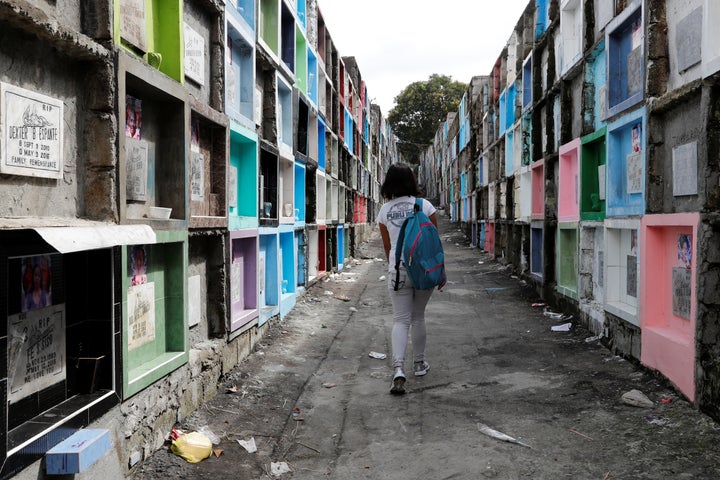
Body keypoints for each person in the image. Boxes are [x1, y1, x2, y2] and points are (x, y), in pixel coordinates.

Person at [377, 163, 445, 395]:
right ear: (412, 181)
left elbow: (388, 248)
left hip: (398, 271)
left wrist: (396, 267)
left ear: (388, 183)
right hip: (424, 270)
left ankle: (398, 368)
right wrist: (441, 271)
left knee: (400, 320)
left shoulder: (384, 211)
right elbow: (434, 244)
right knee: (418, 317)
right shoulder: (425, 206)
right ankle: (419, 364)